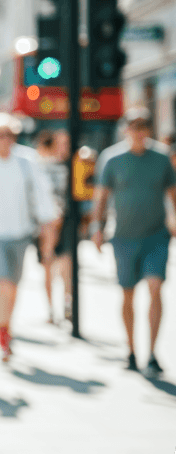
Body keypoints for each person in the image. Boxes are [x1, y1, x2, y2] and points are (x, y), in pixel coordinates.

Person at [0, 113, 59, 362]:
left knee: (13, 287)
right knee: (5, 283)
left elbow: (42, 197)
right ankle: (3, 333)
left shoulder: (27, 161)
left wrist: (47, 226)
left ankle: (5, 324)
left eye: (8, 134)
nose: (4, 139)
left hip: (21, 232)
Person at [92, 108, 176, 375]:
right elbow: (102, 196)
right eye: (133, 126)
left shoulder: (161, 158)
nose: (138, 132)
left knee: (155, 287)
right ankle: (131, 350)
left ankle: (151, 353)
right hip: (124, 237)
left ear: (149, 129)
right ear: (125, 129)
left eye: (143, 126)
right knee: (127, 294)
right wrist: (97, 226)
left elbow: (173, 192)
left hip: (156, 235)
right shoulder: (113, 159)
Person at [34, 129, 74, 325]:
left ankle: (67, 306)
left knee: (66, 266)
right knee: (48, 266)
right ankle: (51, 310)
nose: (65, 148)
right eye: (62, 144)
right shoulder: (39, 167)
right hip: (45, 224)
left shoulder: (70, 167)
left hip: (64, 222)